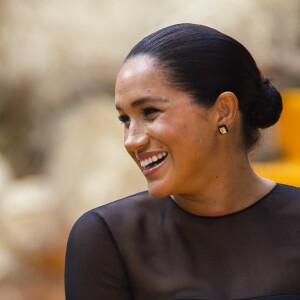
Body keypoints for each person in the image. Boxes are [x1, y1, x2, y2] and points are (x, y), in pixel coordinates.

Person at [64, 23, 300, 299]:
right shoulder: (108, 239)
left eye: (150, 112)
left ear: (223, 111)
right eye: (125, 120)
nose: (131, 140)